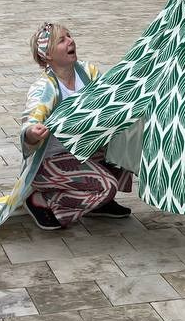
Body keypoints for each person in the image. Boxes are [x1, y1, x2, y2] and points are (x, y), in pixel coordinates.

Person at [20, 23, 133, 230]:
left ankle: (99, 203)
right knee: (106, 185)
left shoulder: (88, 73)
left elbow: (109, 101)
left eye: (69, 36)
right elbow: (31, 121)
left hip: (84, 150)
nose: (70, 41)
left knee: (126, 150)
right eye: (62, 40)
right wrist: (33, 132)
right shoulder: (44, 87)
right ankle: (42, 200)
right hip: (50, 162)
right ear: (48, 55)